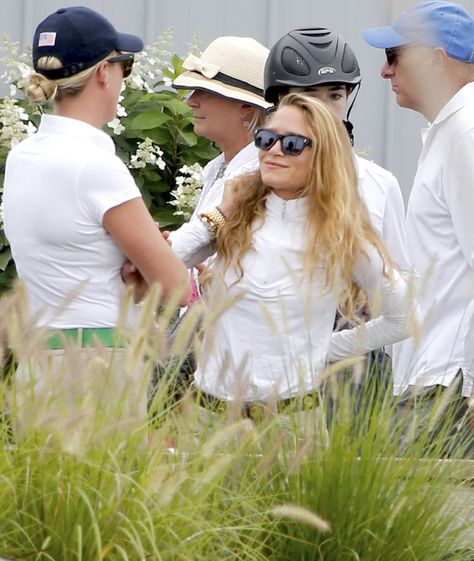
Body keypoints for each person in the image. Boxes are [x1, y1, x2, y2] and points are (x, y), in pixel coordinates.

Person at [2, 7, 190, 440]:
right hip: (98, 361)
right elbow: (176, 286)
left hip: (39, 360)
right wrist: (141, 269)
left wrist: (132, 270)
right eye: (126, 66)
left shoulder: (21, 158)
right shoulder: (95, 166)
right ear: (104, 72)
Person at [186, 93, 414, 430]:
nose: (274, 150)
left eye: (292, 144)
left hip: (290, 427)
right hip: (206, 419)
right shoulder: (234, 209)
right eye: (266, 139)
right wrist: (219, 216)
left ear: (323, 157)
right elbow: (168, 258)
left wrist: (321, 350)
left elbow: (404, 318)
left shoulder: (343, 236)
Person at [263, 28, 412, 402]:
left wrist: (334, 346)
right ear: (280, 101)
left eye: (336, 95)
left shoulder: (378, 183)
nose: (327, 109)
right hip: (268, 347)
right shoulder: (253, 178)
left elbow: (400, 281)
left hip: (353, 358)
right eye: (310, 97)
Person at [363, 0, 474, 454]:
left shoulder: (467, 132)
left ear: (434, 58)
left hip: (450, 382)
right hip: (434, 376)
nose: (386, 72)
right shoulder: (449, 131)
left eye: (394, 56)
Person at [169, 35, 271, 269]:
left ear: (245, 107)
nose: (191, 101)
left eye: (205, 92)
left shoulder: (257, 173)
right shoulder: (221, 166)